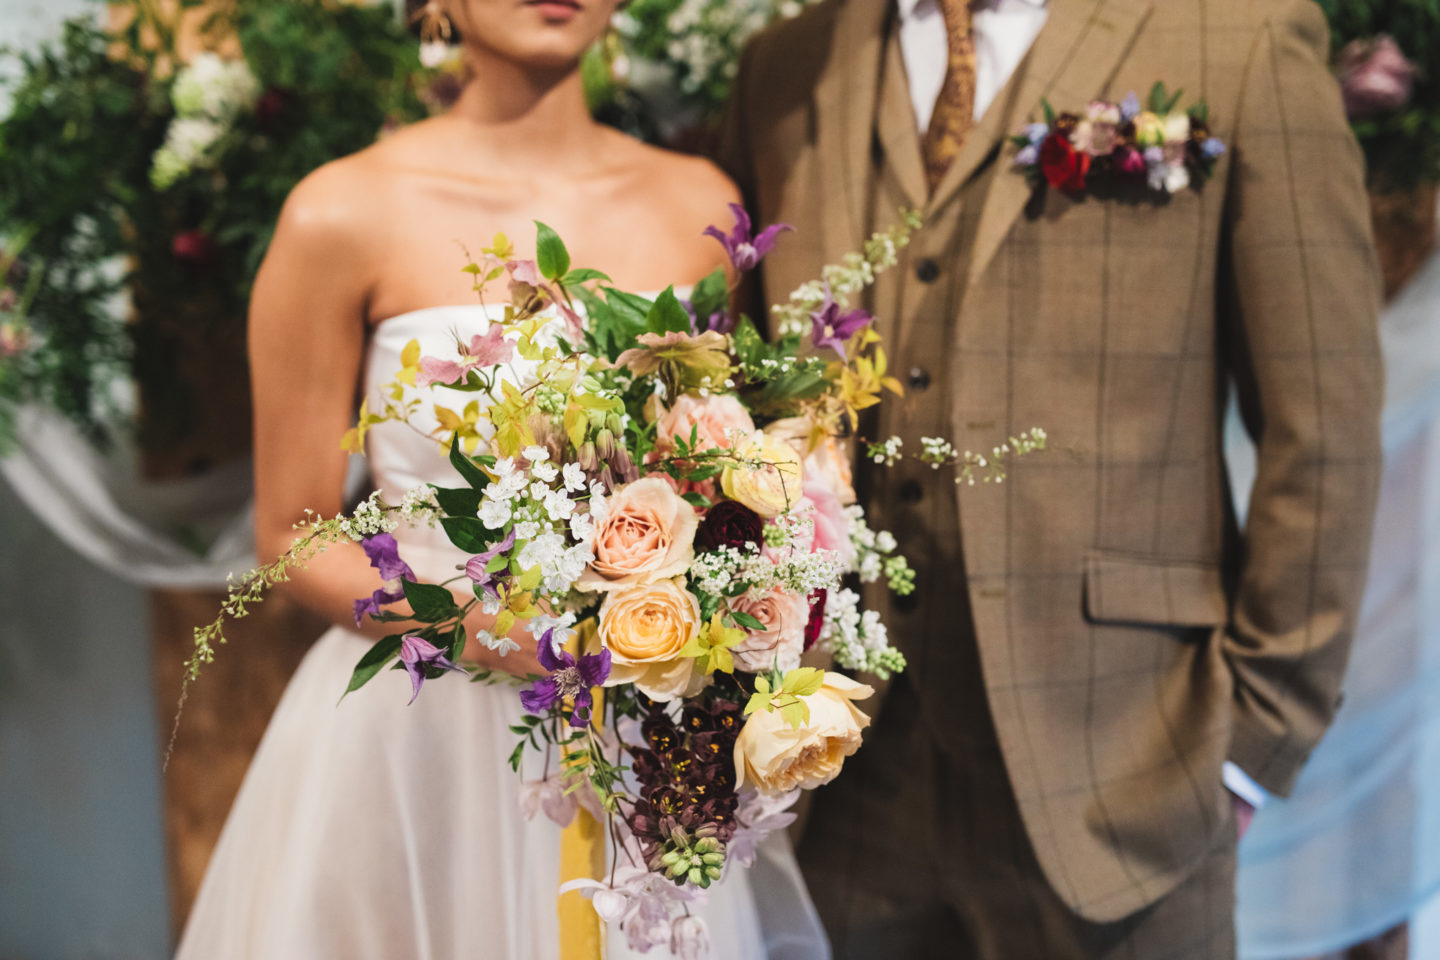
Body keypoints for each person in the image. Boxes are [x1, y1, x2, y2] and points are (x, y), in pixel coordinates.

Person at [721, 0, 1383, 957]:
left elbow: (1323, 418)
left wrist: (1254, 744)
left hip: (1128, 769)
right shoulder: (787, 67)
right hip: (836, 788)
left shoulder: (1239, 34)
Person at [174, 0, 825, 956]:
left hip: (641, 724)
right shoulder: (340, 210)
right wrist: (489, 632)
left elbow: (726, 456)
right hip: (418, 733)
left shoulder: (699, 199)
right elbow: (295, 533)